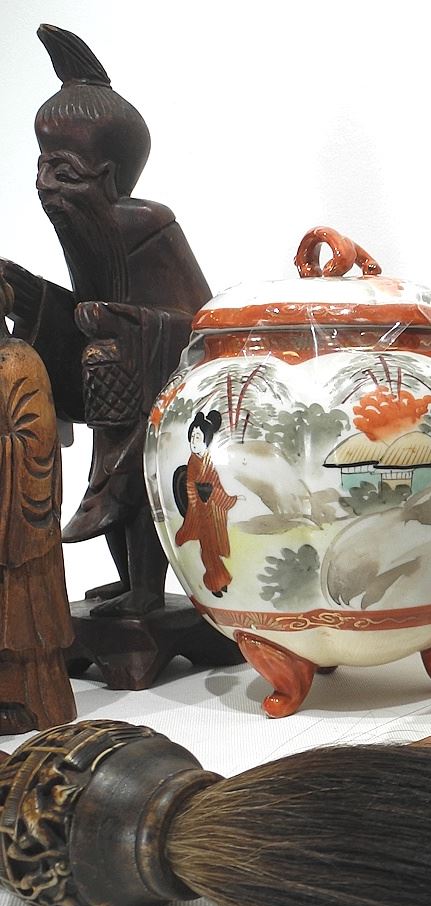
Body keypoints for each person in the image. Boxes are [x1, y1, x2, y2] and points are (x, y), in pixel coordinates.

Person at [0, 25, 211, 617]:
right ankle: (127, 581)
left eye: (64, 173)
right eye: (41, 168)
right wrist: (29, 295)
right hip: (113, 382)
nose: (45, 187)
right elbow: (80, 311)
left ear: (110, 178)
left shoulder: (149, 223)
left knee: (138, 488)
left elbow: (199, 320)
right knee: (105, 484)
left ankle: (147, 590)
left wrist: (126, 321)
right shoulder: (80, 222)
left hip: (152, 386)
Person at [0, 277, 75, 734]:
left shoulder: (19, 361)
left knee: (23, 617)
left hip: (17, 523)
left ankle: (28, 697)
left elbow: (36, 441)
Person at [174, 411, 238, 598]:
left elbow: (217, 486)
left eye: (198, 437)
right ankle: (215, 584)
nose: (194, 442)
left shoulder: (209, 460)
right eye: (192, 437)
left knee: (212, 551)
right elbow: (190, 486)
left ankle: (220, 581)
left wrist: (229, 499)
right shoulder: (193, 462)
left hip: (212, 512)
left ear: (207, 440)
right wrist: (200, 501)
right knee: (208, 552)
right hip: (201, 513)